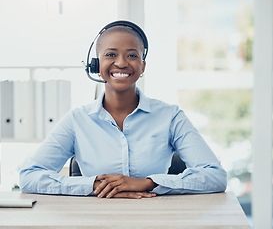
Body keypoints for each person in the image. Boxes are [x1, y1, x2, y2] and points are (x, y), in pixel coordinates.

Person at [19, 20, 227, 199]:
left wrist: (148, 183)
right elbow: (29, 177)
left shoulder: (170, 116)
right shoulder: (77, 120)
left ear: (142, 66)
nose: (121, 63)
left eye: (131, 55)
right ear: (96, 64)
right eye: (110, 54)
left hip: (156, 219)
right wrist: (93, 186)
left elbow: (215, 176)